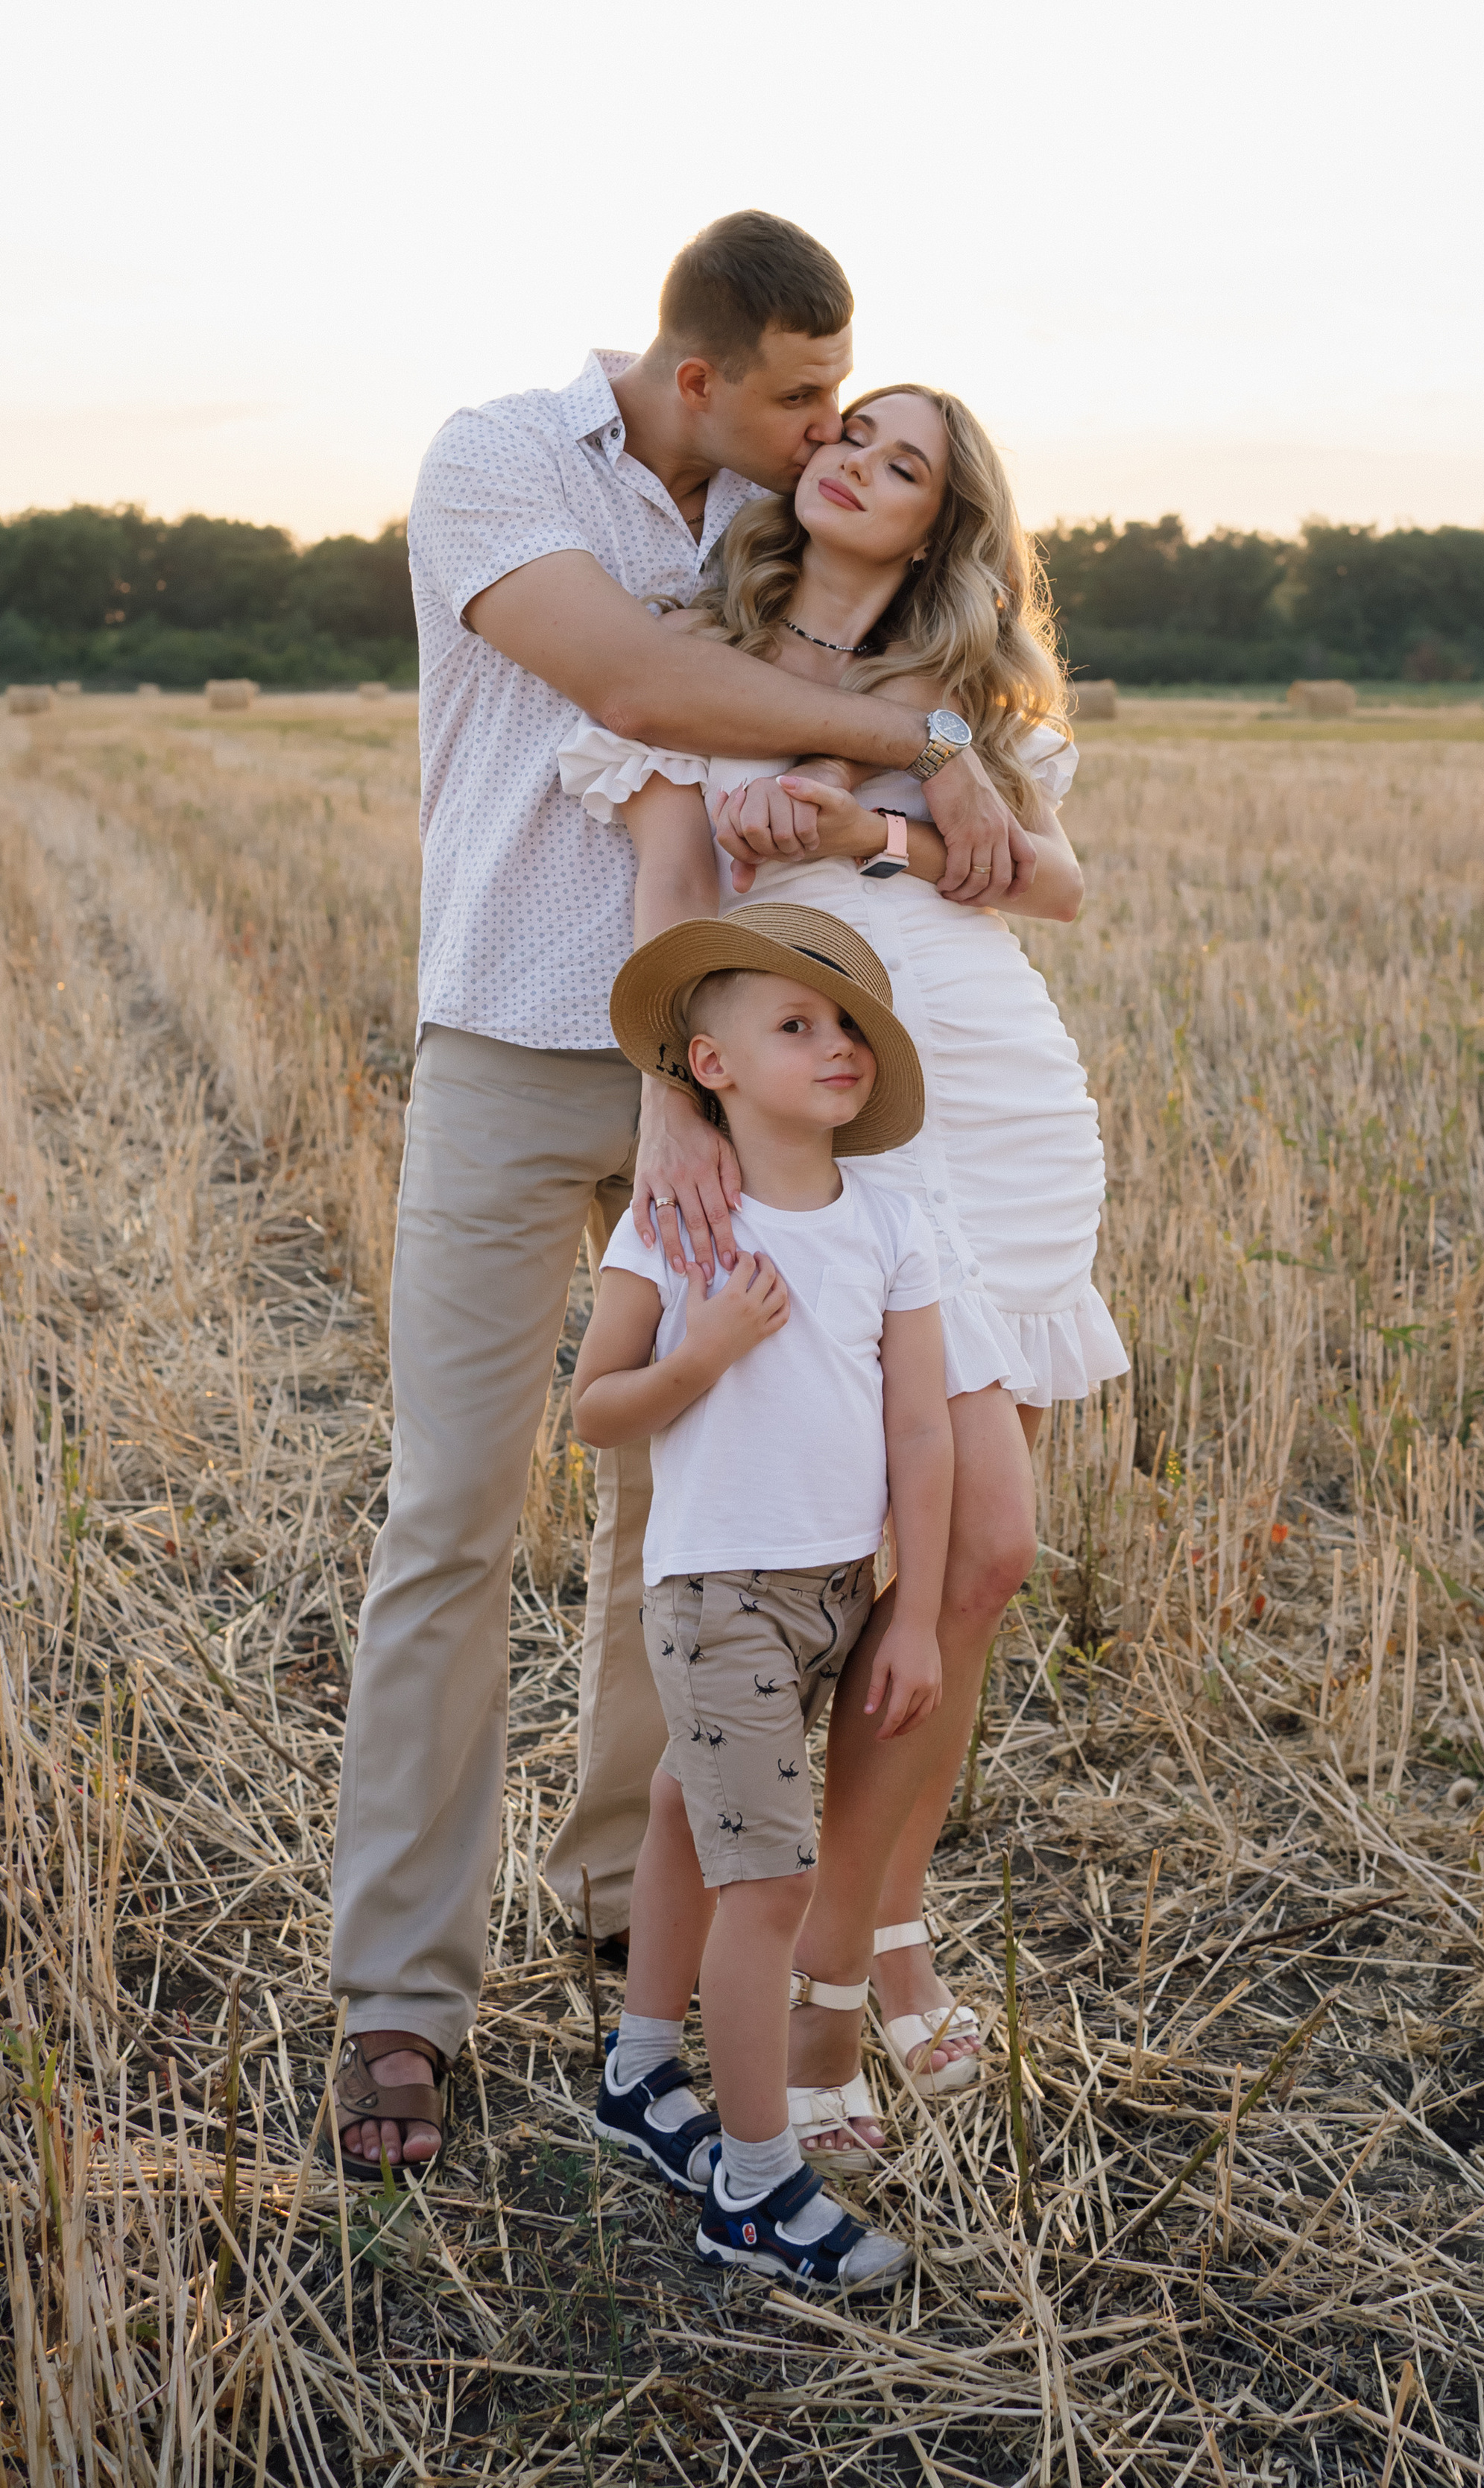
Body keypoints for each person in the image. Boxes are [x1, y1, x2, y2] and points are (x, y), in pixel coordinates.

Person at [327, 214, 1035, 2176]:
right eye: (807, 393)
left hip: (728, 1083)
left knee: (699, 1529)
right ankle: (401, 1993)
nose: (829, 430)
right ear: (704, 374)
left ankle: (631, 1912)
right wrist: (933, 741)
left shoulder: (776, 547)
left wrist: (943, 764)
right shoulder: (501, 463)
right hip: (501, 1052)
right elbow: (633, 685)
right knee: (455, 1509)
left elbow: (907, 707)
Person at [556, 382, 1127, 2164]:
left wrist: (873, 826)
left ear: (943, 523)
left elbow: (1051, 892)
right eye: (846, 435)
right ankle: (810, 1978)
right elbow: (667, 893)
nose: (853, 463)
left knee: (962, 1577)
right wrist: (680, 1100)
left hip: (993, 1087)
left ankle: (882, 1942)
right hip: (836, 1124)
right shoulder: (692, 658)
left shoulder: (950, 700)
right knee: (887, 1555)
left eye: (903, 461)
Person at [572, 900, 950, 2290]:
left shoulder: (894, 1222)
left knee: (688, 1806)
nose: (835, 1045)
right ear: (711, 1068)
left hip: (843, 1590)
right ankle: (753, 2180)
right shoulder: (677, 1229)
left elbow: (922, 1430)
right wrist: (706, 1348)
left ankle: (641, 2064)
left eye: (849, 1024)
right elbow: (597, 1412)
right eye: (795, 1024)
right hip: (721, 1593)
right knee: (771, 1880)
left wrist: (911, 1611)